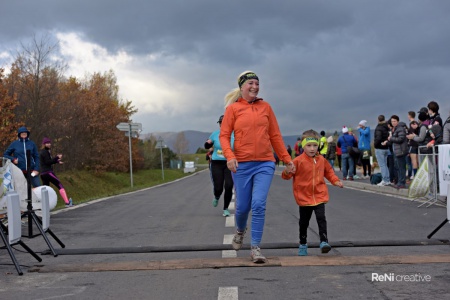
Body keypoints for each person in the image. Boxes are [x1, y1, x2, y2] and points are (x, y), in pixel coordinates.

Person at [219, 70, 295, 263]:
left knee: (259, 204)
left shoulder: (266, 107)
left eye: (257, 83)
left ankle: (255, 248)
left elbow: (275, 136)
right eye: (250, 83)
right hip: (242, 164)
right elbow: (224, 136)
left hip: (265, 163)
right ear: (242, 87)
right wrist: (230, 156)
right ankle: (239, 230)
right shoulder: (233, 109)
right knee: (243, 207)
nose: (254, 86)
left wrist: (287, 160)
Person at [281, 129, 343, 256]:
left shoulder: (321, 160)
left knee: (321, 218)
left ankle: (324, 242)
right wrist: (287, 171)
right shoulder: (298, 161)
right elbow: (286, 176)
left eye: (315, 145)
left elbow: (329, 172)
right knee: (304, 222)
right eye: (309, 146)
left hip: (319, 195)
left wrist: (335, 181)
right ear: (303, 146)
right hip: (304, 197)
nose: (312, 148)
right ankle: (303, 243)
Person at [204, 115, 234, 217]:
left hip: (229, 163)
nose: (222, 124)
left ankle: (225, 208)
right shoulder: (215, 134)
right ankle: (217, 196)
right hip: (217, 163)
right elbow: (207, 145)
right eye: (220, 123)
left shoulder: (235, 134)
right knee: (219, 187)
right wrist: (208, 144)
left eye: (224, 122)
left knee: (229, 186)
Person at [39, 137, 73, 207]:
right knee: (59, 184)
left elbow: (48, 161)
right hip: (48, 172)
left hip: (43, 173)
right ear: (44, 144)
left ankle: (44, 206)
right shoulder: (45, 152)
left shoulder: (44, 152)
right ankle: (67, 202)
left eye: (49, 143)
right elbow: (48, 162)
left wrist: (57, 161)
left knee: (45, 189)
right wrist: (56, 158)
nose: (49, 144)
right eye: (47, 143)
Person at [383, 115, 408, 189]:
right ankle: (399, 182)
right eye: (392, 121)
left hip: (401, 151)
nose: (393, 123)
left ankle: (402, 182)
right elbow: (393, 141)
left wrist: (391, 138)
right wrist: (387, 142)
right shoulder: (395, 129)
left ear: (398, 121)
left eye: (394, 121)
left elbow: (400, 139)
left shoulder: (400, 129)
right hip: (396, 151)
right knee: (398, 167)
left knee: (401, 167)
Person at [374, 115, 391, 186]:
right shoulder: (387, 127)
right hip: (386, 147)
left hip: (380, 148)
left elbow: (378, 138)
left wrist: (375, 145)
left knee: (382, 165)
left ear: (378, 120)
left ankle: (384, 180)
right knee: (385, 164)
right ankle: (387, 179)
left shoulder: (379, 128)